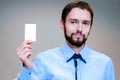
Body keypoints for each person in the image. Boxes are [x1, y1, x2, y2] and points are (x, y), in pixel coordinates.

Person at [15, 1, 114, 80]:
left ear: (90, 27)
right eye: (73, 22)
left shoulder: (105, 63)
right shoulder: (43, 61)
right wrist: (27, 68)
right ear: (62, 24)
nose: (79, 28)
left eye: (85, 23)